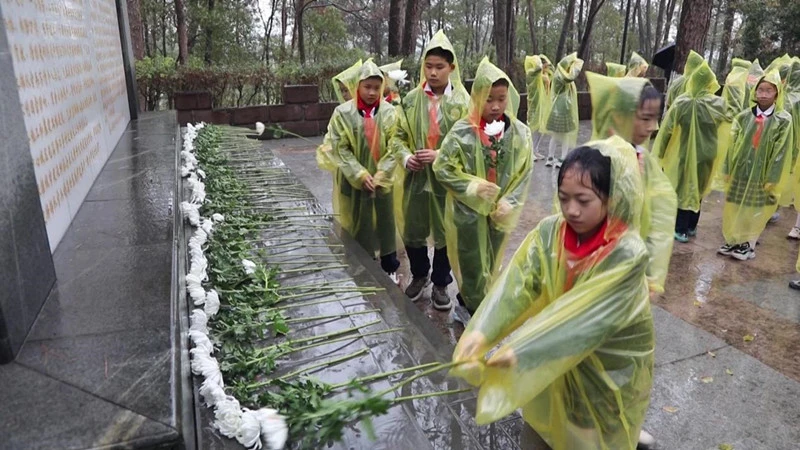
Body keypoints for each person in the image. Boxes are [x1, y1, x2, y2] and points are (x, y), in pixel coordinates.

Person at [450, 138, 655, 450]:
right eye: (563, 198)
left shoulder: (627, 253)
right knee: (546, 426)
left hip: (606, 366)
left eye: (584, 201)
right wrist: (480, 335)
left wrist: (524, 351)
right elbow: (516, 286)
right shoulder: (550, 233)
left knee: (595, 434)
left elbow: (587, 321)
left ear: (611, 198)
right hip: (549, 356)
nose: (571, 210)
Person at [433, 57, 533, 314]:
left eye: (502, 98)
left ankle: (477, 307)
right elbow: (442, 167)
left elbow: (524, 171)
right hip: (468, 214)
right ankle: (471, 310)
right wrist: (472, 187)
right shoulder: (462, 131)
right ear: (477, 96)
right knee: (471, 263)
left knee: (490, 262)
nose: (496, 105)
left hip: (500, 215)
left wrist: (510, 201)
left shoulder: (519, 133)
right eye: (489, 99)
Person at [390, 30, 470, 309]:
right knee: (413, 228)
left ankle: (440, 282)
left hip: (446, 182)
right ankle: (420, 274)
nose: (433, 73)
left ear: (452, 68)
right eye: (428, 66)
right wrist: (405, 157)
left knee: (446, 231)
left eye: (439, 67)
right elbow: (397, 135)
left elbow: (470, 142)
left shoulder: (463, 103)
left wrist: (441, 155)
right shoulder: (411, 100)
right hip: (416, 178)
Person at [586, 72, 677, 294]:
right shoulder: (594, 159)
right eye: (645, 118)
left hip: (631, 264)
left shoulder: (643, 159)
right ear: (620, 116)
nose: (653, 127)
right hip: (598, 266)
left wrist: (653, 272)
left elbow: (659, 216)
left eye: (655, 118)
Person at [327, 60, 401, 278]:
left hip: (382, 183)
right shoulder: (343, 113)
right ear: (357, 86)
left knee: (386, 226)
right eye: (367, 87)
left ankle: (390, 269)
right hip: (354, 185)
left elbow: (395, 145)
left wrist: (383, 173)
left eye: (376, 88)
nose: (371, 92)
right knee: (359, 227)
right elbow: (340, 148)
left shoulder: (389, 113)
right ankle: (364, 268)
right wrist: (359, 174)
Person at [717, 70, 794, 261]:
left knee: (753, 208)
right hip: (740, 172)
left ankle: (747, 244)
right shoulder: (743, 117)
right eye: (761, 89)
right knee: (735, 205)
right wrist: (727, 169)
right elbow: (732, 146)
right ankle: (732, 238)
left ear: (777, 93)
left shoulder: (783, 120)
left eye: (769, 90)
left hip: (762, 175)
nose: (764, 94)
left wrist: (772, 177)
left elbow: (781, 151)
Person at [653, 60, 726, 242]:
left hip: (683, 152)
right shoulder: (717, 104)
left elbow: (667, 130)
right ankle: (692, 226)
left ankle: (680, 229)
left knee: (683, 189)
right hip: (707, 154)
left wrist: (660, 153)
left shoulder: (682, 102)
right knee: (698, 188)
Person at [317, 60, 363, 224]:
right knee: (348, 208)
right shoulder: (341, 113)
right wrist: (328, 148)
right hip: (346, 172)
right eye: (342, 91)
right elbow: (332, 136)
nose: (344, 95)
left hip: (363, 170)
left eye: (347, 89)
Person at [711, 58, 752, 192]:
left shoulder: (734, 80)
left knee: (724, 152)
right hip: (743, 124)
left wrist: (725, 116)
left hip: (730, 123)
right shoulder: (748, 81)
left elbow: (733, 107)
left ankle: (722, 178)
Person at [544, 52, 584, 168]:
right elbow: (571, 76)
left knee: (555, 135)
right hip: (563, 109)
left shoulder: (557, 73)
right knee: (564, 135)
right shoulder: (562, 76)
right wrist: (577, 64)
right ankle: (561, 159)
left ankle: (550, 157)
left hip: (557, 108)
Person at [525, 55, 550, 161]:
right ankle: (530, 151)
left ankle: (535, 149)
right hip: (534, 104)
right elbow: (538, 69)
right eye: (546, 65)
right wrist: (539, 63)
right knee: (533, 128)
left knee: (541, 128)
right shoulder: (532, 74)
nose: (547, 68)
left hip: (543, 104)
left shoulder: (543, 75)